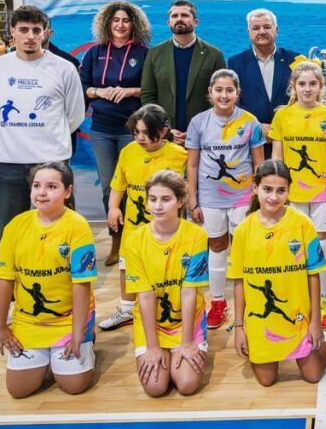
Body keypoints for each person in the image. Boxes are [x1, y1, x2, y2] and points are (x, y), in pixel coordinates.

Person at [0, 162, 96, 398]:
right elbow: (4, 281)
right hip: (29, 322)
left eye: (51, 186)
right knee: (18, 391)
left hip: (68, 320)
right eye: (37, 185)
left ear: (68, 192)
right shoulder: (16, 226)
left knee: (74, 386)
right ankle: (47, 358)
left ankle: (87, 342)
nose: (42, 192)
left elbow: (82, 284)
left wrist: (78, 332)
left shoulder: (78, 227)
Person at [0, 5, 84, 239]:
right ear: (13, 32)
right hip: (10, 161)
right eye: (24, 29)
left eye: (36, 30)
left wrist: (49, 135)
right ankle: (12, 276)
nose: (30, 36)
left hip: (52, 160)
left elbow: (74, 115)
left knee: (61, 233)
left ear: (45, 33)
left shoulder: (64, 68)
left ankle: (63, 275)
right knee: (10, 233)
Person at [231, 160, 326, 386]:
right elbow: (239, 281)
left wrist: (316, 322)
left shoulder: (303, 224)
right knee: (266, 381)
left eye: (280, 190)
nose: (273, 197)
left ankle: (321, 346)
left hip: (299, 318)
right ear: (255, 188)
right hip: (262, 324)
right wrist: (239, 327)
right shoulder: (243, 230)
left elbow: (313, 275)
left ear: (288, 191)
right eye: (267, 189)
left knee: (313, 376)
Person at [186, 69, 265, 330]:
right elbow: (193, 165)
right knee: (217, 247)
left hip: (242, 198)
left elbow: (258, 163)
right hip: (210, 199)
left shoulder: (250, 122)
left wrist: (259, 198)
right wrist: (193, 200)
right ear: (210, 93)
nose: (224, 95)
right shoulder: (198, 122)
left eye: (229, 90)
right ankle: (218, 302)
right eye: (218, 90)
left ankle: (252, 300)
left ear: (237, 93)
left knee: (245, 249)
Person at [98, 104, 187, 332]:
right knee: (126, 265)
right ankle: (127, 309)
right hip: (134, 227)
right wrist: (113, 208)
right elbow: (118, 184)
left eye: (146, 133)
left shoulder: (180, 155)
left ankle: (169, 310)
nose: (140, 138)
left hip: (167, 229)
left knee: (167, 268)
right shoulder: (128, 151)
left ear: (163, 131)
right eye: (136, 132)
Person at [124, 170, 209, 397]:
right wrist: (152, 346)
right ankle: (159, 349)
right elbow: (145, 296)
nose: (157, 206)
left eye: (166, 199)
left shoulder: (197, 236)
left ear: (180, 201)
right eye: (153, 199)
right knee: (155, 388)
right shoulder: (134, 241)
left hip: (186, 321)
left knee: (187, 385)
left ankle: (186, 346)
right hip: (151, 322)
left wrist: (187, 341)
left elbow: (189, 292)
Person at [80, 1, 152, 265]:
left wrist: (130, 91)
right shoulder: (94, 53)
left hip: (133, 130)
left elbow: (150, 88)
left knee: (138, 189)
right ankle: (117, 242)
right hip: (102, 130)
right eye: (116, 20)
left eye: (126, 20)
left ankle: (142, 242)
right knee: (111, 189)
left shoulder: (145, 53)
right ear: (107, 23)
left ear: (134, 24)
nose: (120, 25)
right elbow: (84, 86)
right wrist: (99, 91)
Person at [270, 60, 326, 267]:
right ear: (293, 86)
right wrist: (278, 191)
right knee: (295, 239)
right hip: (292, 191)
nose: (307, 89)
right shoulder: (283, 116)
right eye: (302, 84)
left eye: (312, 84)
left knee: (321, 242)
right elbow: (277, 158)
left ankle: (324, 295)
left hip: (323, 193)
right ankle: (299, 287)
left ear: (320, 86)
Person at [140, 0, 226, 145]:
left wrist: (201, 127)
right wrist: (165, 129)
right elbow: (148, 95)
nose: (179, 19)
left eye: (185, 15)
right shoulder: (154, 54)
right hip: (165, 137)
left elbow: (221, 97)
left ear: (196, 22)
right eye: (174, 16)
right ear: (169, 23)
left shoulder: (214, 55)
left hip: (204, 136)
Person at [226, 8, 300, 156]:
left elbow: (301, 97)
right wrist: (256, 126)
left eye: (267, 27)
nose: (262, 31)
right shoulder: (235, 62)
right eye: (256, 28)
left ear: (276, 30)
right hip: (250, 141)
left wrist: (279, 127)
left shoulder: (295, 60)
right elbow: (234, 101)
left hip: (288, 139)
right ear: (249, 33)